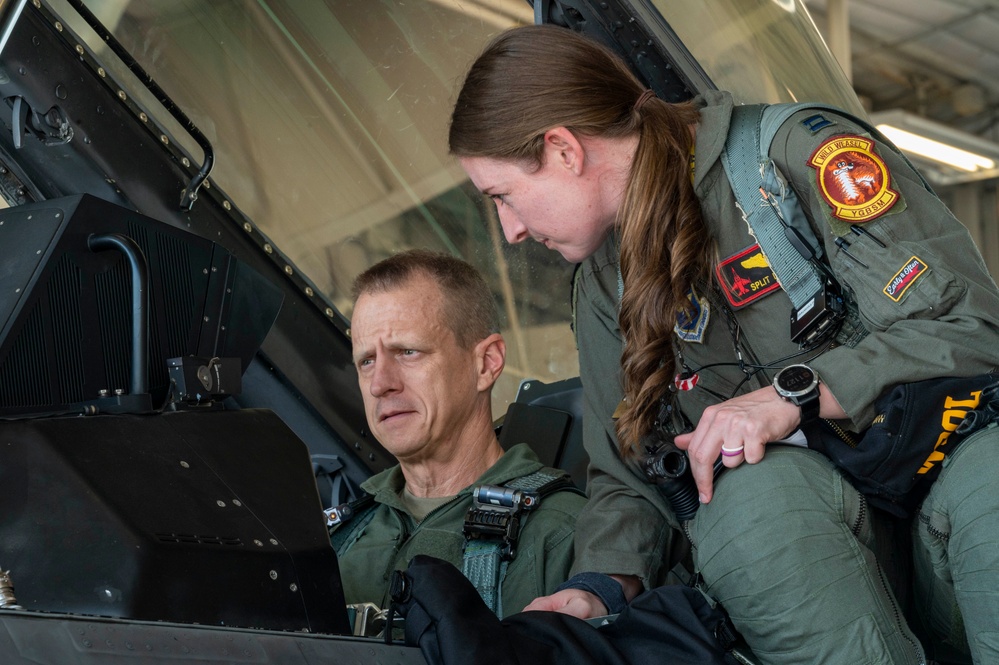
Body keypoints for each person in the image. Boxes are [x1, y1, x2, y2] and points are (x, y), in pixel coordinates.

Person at [448, 23, 999, 665]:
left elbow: (973, 325)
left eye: (504, 197)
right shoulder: (605, 284)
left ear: (564, 149)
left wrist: (796, 395)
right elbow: (632, 472)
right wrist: (597, 587)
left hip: (947, 495)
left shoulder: (794, 160)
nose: (510, 230)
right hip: (815, 561)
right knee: (750, 506)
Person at [332, 249, 586, 619]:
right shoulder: (340, 539)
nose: (379, 385)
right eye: (366, 360)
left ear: (486, 363)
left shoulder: (563, 536)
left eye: (407, 352)